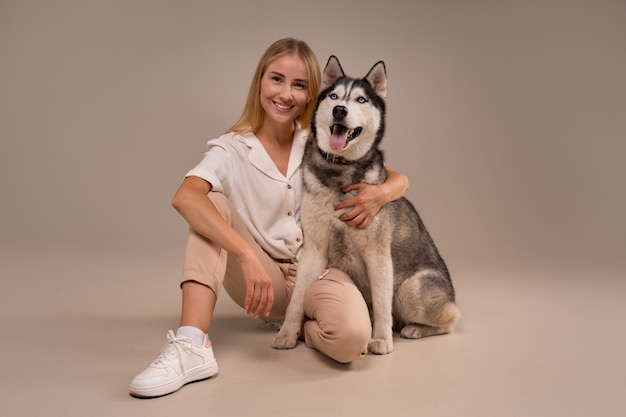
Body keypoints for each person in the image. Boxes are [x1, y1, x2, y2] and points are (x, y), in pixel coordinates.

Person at [129, 38, 409, 398]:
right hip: (260, 277)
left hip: (318, 270)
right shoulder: (232, 148)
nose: (286, 94)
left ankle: (306, 324)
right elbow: (185, 197)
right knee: (209, 203)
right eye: (276, 79)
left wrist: (380, 194)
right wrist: (245, 253)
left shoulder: (323, 142)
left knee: (352, 340)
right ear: (260, 83)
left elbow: (397, 178)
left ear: (313, 95)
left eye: (299, 85)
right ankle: (191, 346)